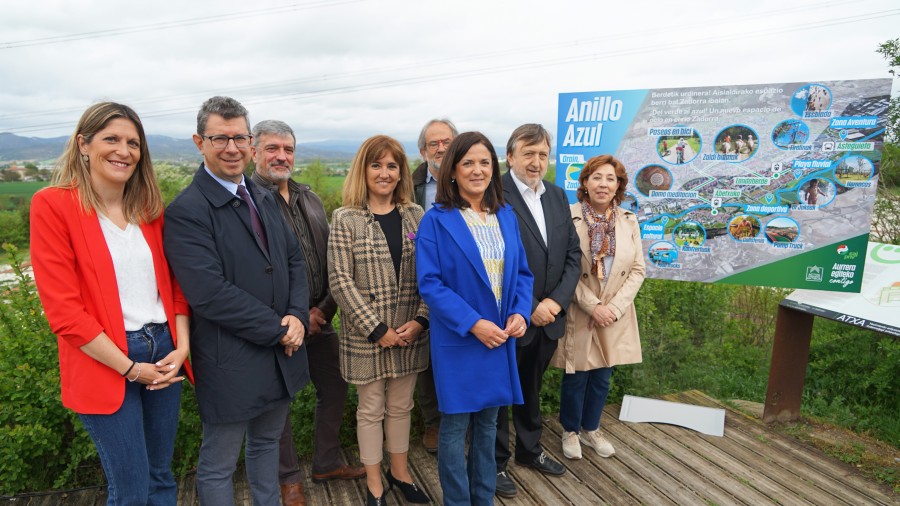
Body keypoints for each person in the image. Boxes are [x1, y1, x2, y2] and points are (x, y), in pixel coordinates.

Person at [30, 102, 191, 505]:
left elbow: (174, 288)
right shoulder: (53, 205)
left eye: (133, 143)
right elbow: (65, 314)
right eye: (112, 139)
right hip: (107, 359)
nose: (124, 150)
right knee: (132, 489)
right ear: (83, 144)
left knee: (161, 478)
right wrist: (132, 369)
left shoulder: (149, 210)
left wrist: (182, 345)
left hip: (163, 350)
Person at [164, 96, 310, 506]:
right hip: (232, 360)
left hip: (281, 354)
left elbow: (293, 259)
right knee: (218, 464)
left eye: (239, 138)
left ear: (250, 141)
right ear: (199, 142)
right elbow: (209, 293)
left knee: (266, 448)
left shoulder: (260, 195)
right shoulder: (187, 210)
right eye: (220, 138)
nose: (232, 148)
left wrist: (297, 315)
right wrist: (279, 329)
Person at [250, 120, 365, 506]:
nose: (281, 156)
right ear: (254, 151)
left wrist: (323, 310)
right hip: (278, 325)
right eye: (272, 148)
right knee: (279, 402)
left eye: (288, 149)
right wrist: (294, 317)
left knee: (334, 387)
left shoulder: (310, 198)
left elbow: (333, 260)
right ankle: (288, 480)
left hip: (321, 316)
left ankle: (327, 461)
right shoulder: (247, 201)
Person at [416, 131, 533, 506]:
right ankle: (457, 501)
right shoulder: (437, 220)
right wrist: (473, 323)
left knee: (489, 425)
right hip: (461, 338)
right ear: (452, 171)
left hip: (500, 337)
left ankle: (483, 498)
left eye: (485, 162)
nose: (478, 170)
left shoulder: (505, 215)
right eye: (468, 162)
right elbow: (430, 285)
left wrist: (520, 312)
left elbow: (523, 275)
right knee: (454, 426)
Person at [329, 135, 431, 506]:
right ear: (364, 169)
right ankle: (374, 481)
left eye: (392, 166)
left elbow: (432, 275)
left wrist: (421, 319)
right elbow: (340, 280)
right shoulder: (346, 218)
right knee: (371, 409)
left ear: (401, 172)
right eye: (377, 165)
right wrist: (376, 329)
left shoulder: (416, 215)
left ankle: (399, 472)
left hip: (409, 331)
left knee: (402, 405)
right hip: (366, 334)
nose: (385, 173)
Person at [494, 124, 580, 498]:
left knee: (531, 387)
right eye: (528, 153)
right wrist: (529, 308)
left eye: (543, 154)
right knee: (498, 394)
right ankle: (494, 464)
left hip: (549, 318)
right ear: (510, 156)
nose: (536, 161)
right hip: (509, 317)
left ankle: (529, 451)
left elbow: (573, 257)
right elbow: (490, 262)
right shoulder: (493, 195)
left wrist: (555, 303)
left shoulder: (558, 196)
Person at [551, 154, 645, 461]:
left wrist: (614, 308)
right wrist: (593, 306)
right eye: (597, 177)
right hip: (581, 308)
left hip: (614, 312)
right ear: (585, 182)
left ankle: (591, 428)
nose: (603, 184)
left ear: (618, 185)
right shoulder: (568, 216)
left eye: (610, 179)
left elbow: (637, 270)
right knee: (576, 374)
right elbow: (562, 269)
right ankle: (570, 430)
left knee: (603, 375)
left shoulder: (629, 220)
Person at [410, 118, 458, 453]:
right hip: (419, 281)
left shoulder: (475, 178)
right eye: (432, 144)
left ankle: (461, 418)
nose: (440, 149)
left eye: (446, 142)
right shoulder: (408, 184)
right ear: (422, 150)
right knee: (424, 356)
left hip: (464, 281)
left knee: (462, 349)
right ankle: (433, 423)